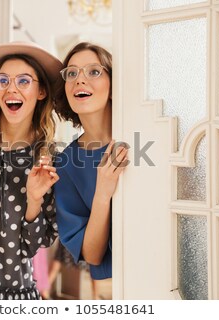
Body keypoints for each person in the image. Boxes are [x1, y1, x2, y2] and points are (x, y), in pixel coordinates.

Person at [0, 41, 62, 300]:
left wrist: (34, 200)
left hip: (16, 295)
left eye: (23, 81)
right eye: (4, 80)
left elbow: (30, 246)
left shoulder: (50, 161)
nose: (11, 88)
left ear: (41, 91)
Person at [54, 42, 128, 288]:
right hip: (118, 286)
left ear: (112, 87)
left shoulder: (142, 135)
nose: (80, 80)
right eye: (72, 73)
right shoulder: (65, 163)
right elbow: (92, 254)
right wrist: (102, 193)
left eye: (94, 71)